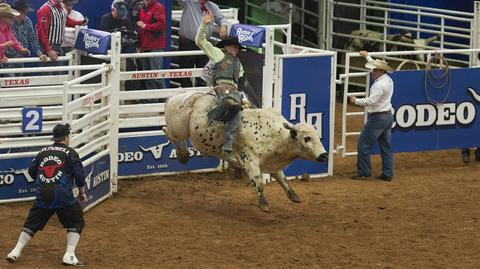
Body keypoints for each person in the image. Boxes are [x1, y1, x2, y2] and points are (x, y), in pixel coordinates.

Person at [5, 123, 87, 266]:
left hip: (43, 195)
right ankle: (69, 255)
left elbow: (31, 173)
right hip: (63, 195)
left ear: (55, 138)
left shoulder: (42, 152)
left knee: (31, 224)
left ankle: (15, 251)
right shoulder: (71, 153)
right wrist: (81, 192)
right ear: (66, 137)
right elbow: (79, 175)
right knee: (76, 221)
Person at [196, 12, 251, 163]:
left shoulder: (239, 64)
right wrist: (204, 25)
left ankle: (228, 146)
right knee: (231, 102)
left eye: (237, 48)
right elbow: (200, 41)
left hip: (234, 90)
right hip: (221, 88)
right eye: (234, 47)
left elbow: (241, 83)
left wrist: (243, 96)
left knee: (239, 111)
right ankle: (213, 116)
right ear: (227, 47)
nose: (236, 50)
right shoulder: (218, 54)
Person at [350, 51, 394, 181]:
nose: (372, 72)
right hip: (387, 116)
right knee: (386, 146)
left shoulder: (379, 85)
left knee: (363, 144)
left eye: (374, 70)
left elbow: (371, 101)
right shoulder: (388, 80)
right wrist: (367, 56)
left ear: (380, 71)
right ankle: (387, 173)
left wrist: (355, 100)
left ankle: (364, 172)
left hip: (378, 118)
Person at [177, 0, 228, 87]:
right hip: (187, 43)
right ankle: (186, 95)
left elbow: (222, 18)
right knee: (185, 73)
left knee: (203, 73)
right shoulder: (188, 2)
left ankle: (201, 94)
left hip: (204, 44)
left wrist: (223, 26)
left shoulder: (212, 6)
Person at [36, 0, 87, 68]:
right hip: (50, 46)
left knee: (59, 74)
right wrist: (48, 50)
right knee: (50, 75)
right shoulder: (46, 8)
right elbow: (41, 32)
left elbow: (67, 20)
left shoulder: (62, 6)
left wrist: (80, 23)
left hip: (59, 46)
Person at [100, 0, 136, 92]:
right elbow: (103, 34)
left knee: (121, 78)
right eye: (119, 13)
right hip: (108, 53)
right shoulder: (106, 18)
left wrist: (129, 38)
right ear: (113, 9)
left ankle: (120, 101)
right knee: (107, 77)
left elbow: (131, 35)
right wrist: (116, 31)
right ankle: (107, 101)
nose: (121, 16)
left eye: (122, 14)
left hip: (121, 53)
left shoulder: (126, 20)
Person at [4, 0, 48, 76]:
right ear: (18, 11)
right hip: (8, 58)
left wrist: (40, 53)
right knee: (9, 82)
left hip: (20, 58)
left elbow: (33, 39)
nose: (26, 13)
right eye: (25, 12)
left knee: (20, 81)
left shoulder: (28, 21)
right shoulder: (8, 21)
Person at [137, 0, 166, 90]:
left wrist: (145, 26)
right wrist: (140, 45)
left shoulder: (158, 7)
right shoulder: (142, 8)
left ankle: (163, 99)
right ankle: (150, 100)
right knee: (147, 76)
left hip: (156, 46)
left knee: (157, 75)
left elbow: (162, 25)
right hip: (145, 46)